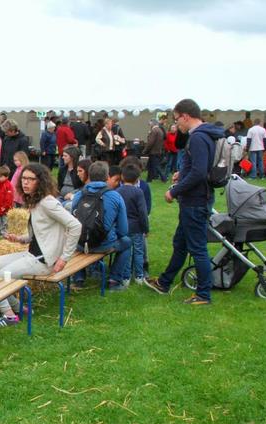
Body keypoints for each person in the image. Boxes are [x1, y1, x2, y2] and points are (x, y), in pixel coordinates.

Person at [0, 163, 81, 327]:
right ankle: (19, 308)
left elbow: (75, 226)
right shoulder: (35, 201)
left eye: (30, 179)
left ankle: (10, 316)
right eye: (23, 179)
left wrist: (64, 258)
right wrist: (21, 239)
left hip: (43, 261)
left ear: (40, 181)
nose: (25, 183)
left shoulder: (48, 202)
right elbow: (40, 232)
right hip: (31, 255)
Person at [145, 99, 223, 305]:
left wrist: (175, 191)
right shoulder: (204, 135)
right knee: (180, 243)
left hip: (195, 201)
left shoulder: (197, 137)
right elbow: (199, 167)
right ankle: (164, 282)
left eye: (177, 118)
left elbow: (199, 172)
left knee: (197, 248)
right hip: (195, 199)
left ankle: (204, 294)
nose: (176, 123)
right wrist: (182, 173)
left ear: (186, 116)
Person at [71, 161, 130, 291]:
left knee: (77, 239)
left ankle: (79, 279)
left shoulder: (78, 195)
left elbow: (72, 222)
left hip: (80, 244)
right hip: (104, 245)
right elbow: (124, 230)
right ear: (107, 176)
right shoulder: (115, 196)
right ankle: (114, 280)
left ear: (89, 176)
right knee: (126, 242)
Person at [116, 164, 148, 285]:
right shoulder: (138, 192)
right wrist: (146, 228)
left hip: (122, 227)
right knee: (139, 252)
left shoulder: (118, 191)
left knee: (126, 252)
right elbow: (143, 212)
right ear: (137, 179)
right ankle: (139, 276)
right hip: (137, 227)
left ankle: (125, 277)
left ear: (122, 177)